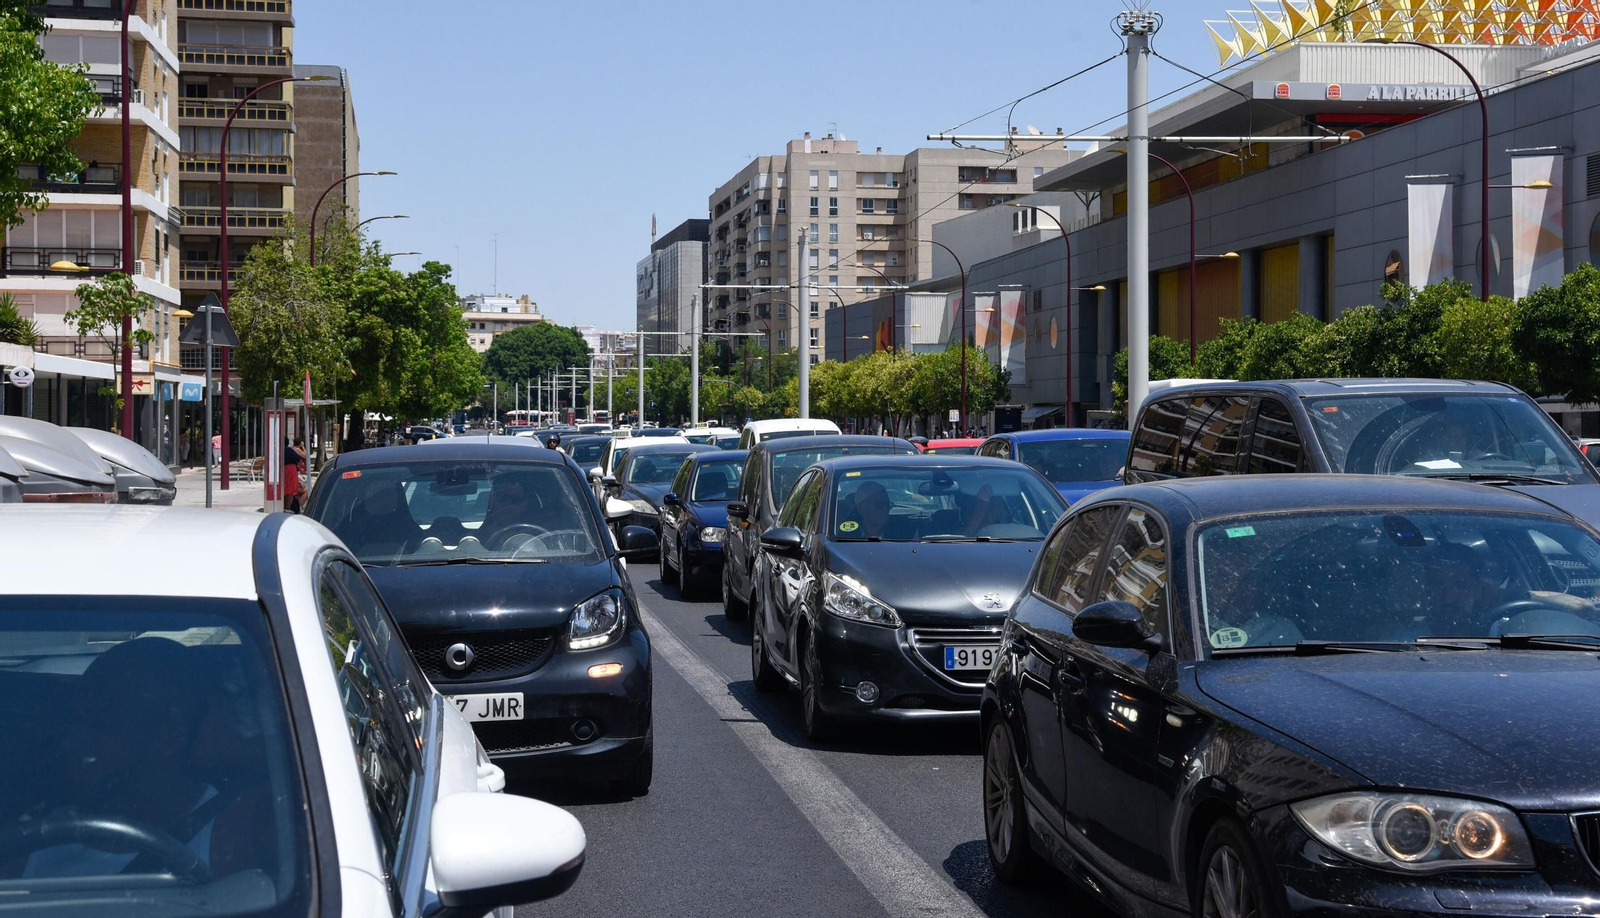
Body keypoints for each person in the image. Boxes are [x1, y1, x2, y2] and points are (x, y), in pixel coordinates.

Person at [283, 438, 306, 513]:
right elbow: (304, 456)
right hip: (291, 471)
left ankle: (289, 507)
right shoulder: (289, 450)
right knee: (290, 490)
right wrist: (303, 447)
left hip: (285, 470)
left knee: (288, 489)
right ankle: (288, 508)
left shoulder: (284, 450)